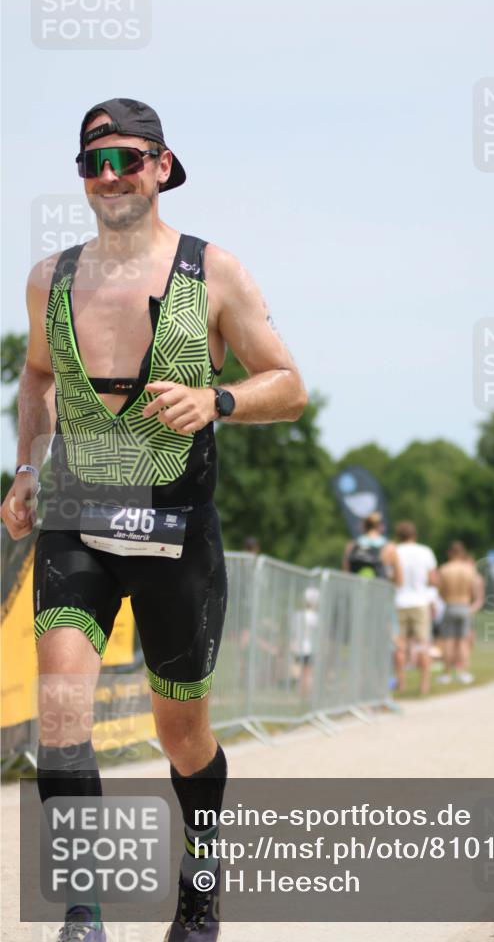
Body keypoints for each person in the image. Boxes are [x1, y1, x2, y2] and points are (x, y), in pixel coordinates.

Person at [0, 99, 307, 942]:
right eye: (94, 162)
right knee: (61, 715)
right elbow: (34, 380)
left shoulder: (215, 273)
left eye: (127, 159)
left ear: (163, 166)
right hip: (76, 525)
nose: (111, 176)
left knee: (183, 738)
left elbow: (289, 383)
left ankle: (201, 887)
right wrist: (30, 464)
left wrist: (219, 398)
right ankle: (83, 914)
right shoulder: (49, 278)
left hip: (176, 537)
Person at [393, 521, 437, 695]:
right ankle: (424, 685)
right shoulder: (425, 551)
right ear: (415, 535)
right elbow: (433, 579)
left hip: (399, 601)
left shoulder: (394, 551)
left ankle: (401, 683)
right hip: (420, 601)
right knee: (423, 644)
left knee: (400, 645)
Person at [431, 541, 484, 685]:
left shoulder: (444, 569)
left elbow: (440, 591)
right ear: (462, 553)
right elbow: (474, 592)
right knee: (462, 642)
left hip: (450, 605)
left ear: (450, 553)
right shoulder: (469, 570)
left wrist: (448, 600)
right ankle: (463, 673)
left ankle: (447, 674)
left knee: (448, 641)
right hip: (464, 605)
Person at [342, 511, 401, 583]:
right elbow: (399, 580)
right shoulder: (389, 547)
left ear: (364, 526)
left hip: (357, 591)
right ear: (381, 526)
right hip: (379, 591)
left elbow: (345, 575)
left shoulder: (351, 546)